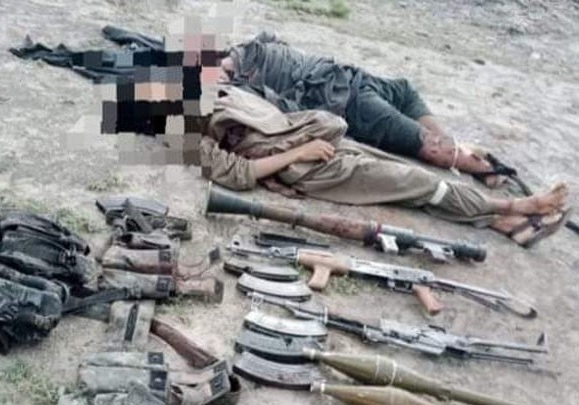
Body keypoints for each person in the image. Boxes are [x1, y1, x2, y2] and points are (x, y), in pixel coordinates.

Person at [200, 85, 570, 247]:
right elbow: (237, 174)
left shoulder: (217, 89)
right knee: (420, 182)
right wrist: (298, 155)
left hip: (322, 141)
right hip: (309, 168)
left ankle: (507, 226)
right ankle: (517, 207)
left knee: (410, 187)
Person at [216, 31, 516, 189]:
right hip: (352, 85)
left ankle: (480, 164)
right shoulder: (248, 64)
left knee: (429, 140)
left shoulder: (244, 58)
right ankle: (469, 157)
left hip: (354, 96)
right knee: (408, 102)